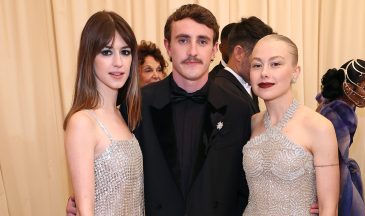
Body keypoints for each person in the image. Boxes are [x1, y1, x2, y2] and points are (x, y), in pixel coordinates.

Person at [121, 4, 251, 216]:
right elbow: (117, 169)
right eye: (183, 40)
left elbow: (248, 185)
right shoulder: (136, 104)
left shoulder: (238, 109)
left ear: (214, 50)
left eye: (202, 41)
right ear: (168, 46)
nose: (193, 51)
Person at [243, 34, 340, 215]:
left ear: (295, 72)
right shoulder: (251, 123)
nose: (264, 72)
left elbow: (329, 208)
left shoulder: (319, 127)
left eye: (275, 64)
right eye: (257, 65)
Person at [63, 11, 144, 215]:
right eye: (107, 52)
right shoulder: (82, 122)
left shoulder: (123, 116)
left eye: (125, 52)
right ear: (89, 57)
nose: (118, 62)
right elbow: (86, 210)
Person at [316, 59, 365, 216]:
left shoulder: (333, 103)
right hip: (331, 178)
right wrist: (334, 200)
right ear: (348, 87)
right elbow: (334, 160)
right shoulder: (340, 112)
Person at [210, 16, 274, 115]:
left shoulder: (242, 84)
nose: (265, 70)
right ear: (239, 53)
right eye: (260, 58)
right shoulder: (224, 94)